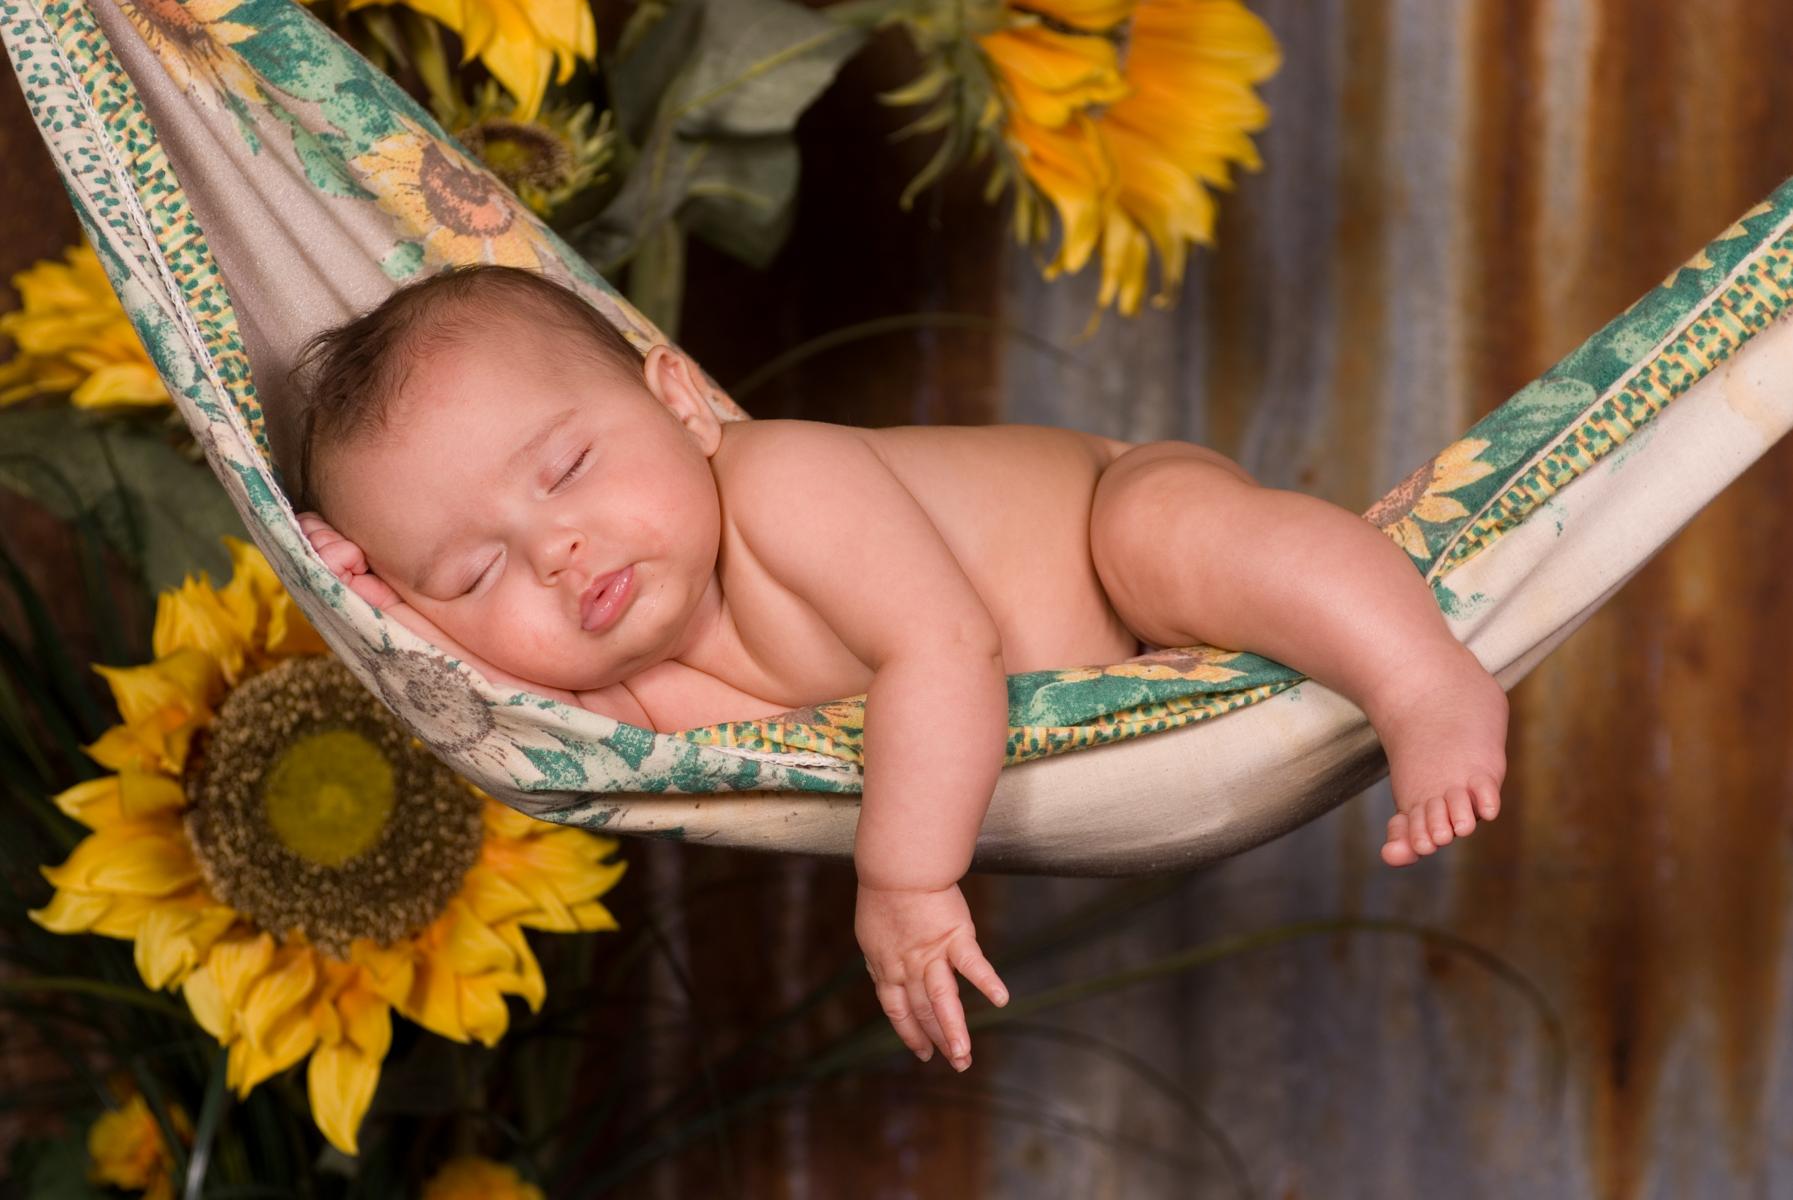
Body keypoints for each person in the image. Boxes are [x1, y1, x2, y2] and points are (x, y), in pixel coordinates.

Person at [293, 264, 1509, 1074]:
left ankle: (1419, 676)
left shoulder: (779, 482)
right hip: (1121, 694)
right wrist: (380, 611)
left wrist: (906, 879)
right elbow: (517, 710)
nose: (555, 550)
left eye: (564, 471)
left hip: (1107, 530)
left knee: (1174, 546)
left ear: (676, 399)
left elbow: (944, 647)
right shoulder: (644, 687)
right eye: (470, 574)